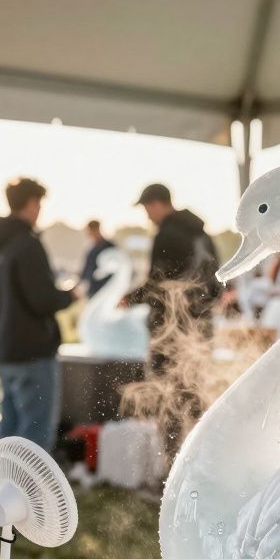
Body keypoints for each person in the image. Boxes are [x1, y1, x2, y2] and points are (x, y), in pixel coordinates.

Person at [0, 178, 77, 452]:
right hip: (32, 352)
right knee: (35, 432)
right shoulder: (26, 244)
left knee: (8, 424)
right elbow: (43, 299)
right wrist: (70, 295)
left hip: (1, 347)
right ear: (32, 204)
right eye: (39, 204)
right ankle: (28, 494)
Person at [129, 183, 222, 457]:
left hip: (169, 334)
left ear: (158, 203)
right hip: (200, 330)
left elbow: (157, 283)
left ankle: (171, 466)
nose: (147, 215)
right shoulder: (201, 235)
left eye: (147, 208)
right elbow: (215, 282)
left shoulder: (167, 234)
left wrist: (130, 298)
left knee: (168, 395)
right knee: (196, 394)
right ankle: (201, 458)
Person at [78, 219, 116, 298]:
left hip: (106, 290)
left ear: (96, 229)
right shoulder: (91, 249)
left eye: (91, 231)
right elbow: (87, 270)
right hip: (92, 290)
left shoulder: (109, 247)